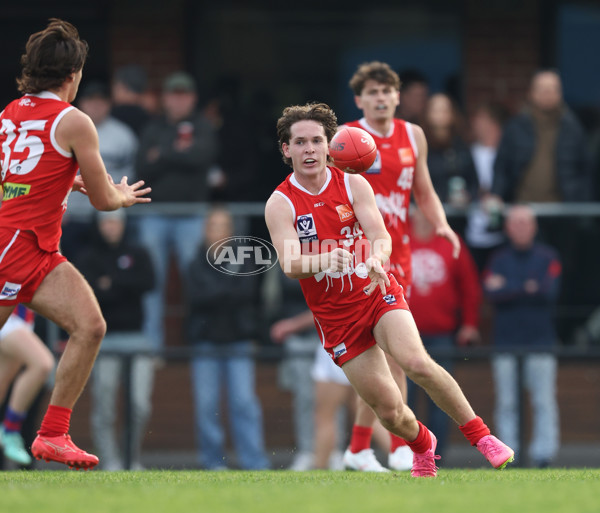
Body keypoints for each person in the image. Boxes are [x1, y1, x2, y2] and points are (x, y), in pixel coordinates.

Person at [265, 101, 514, 477]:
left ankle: (482, 437)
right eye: (300, 143)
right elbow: (289, 263)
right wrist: (325, 259)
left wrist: (376, 259)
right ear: (286, 149)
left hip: (375, 291)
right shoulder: (280, 202)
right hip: (335, 318)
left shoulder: (353, 183)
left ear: (329, 144)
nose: (310, 149)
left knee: (416, 363)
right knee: (391, 411)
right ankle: (421, 444)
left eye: (317, 140)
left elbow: (381, 237)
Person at [0, 18, 151, 470]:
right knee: (88, 329)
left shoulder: (9, 112)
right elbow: (106, 201)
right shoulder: (75, 120)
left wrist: (61, 184)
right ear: (72, 75)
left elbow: (13, 182)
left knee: (90, 326)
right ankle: (50, 433)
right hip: (16, 249)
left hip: (32, 248)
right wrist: (120, 194)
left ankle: (52, 434)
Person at [343, 61, 463, 472]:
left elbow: (424, 190)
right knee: (390, 356)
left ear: (398, 96)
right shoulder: (347, 138)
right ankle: (398, 446)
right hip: (363, 256)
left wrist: (443, 224)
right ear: (359, 100)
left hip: (402, 254)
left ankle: (359, 448)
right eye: (372, 92)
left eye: (386, 91)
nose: (380, 98)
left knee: (386, 356)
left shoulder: (414, 135)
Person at [136, 71, 218, 351]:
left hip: (192, 214)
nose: (179, 99)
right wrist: (180, 153)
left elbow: (202, 157)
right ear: (166, 98)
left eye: (184, 94)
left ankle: (198, 341)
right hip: (155, 213)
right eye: (174, 94)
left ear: (192, 98)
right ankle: (151, 347)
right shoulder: (154, 126)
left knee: (196, 280)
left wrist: (164, 153)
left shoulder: (202, 125)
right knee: (151, 283)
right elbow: (143, 168)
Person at [186, 206, 269, 470]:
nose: (217, 231)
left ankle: (254, 462)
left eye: (223, 226)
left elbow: (245, 293)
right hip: (205, 343)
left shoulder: (244, 259)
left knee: (244, 403)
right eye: (213, 225)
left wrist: (217, 292)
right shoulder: (195, 262)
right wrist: (226, 290)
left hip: (238, 342)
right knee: (206, 406)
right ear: (205, 230)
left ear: (231, 231)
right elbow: (197, 298)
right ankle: (213, 463)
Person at [75, 210, 155, 471]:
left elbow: (149, 281)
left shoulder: (138, 252)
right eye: (107, 222)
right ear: (99, 225)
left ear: (123, 225)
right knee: (105, 405)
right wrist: (121, 287)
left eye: (116, 222)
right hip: (104, 342)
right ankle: (110, 461)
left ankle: (131, 459)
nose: (111, 227)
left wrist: (111, 283)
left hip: (136, 338)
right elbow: (89, 293)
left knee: (140, 405)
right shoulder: (88, 256)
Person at [483, 204, 561, 467]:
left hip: (541, 342)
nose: (520, 227)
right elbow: (491, 294)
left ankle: (544, 455)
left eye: (525, 222)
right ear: (507, 227)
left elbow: (548, 292)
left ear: (534, 226)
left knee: (544, 402)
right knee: (506, 403)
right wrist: (527, 287)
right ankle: (508, 455)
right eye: (515, 223)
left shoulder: (548, 256)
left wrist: (509, 287)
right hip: (505, 343)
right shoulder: (498, 259)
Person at [408, 208, 482, 458]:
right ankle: (406, 455)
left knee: (440, 401)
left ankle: (437, 456)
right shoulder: (398, 238)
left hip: (441, 335)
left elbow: (470, 287)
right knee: (403, 399)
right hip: (404, 336)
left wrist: (470, 323)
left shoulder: (451, 241)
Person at [61, 80, 139, 261]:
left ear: (108, 104)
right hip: (73, 215)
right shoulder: (65, 129)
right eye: (91, 100)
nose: (96, 105)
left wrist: (118, 198)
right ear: (82, 103)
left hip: (108, 214)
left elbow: (132, 171)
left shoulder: (123, 134)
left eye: (101, 101)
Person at [492, 69, 590, 204]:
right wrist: (497, 194)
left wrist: (581, 205)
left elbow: (585, 172)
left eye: (552, 89)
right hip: (521, 212)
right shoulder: (516, 127)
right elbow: (502, 167)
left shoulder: (573, 129)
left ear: (560, 93)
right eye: (542, 89)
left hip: (563, 212)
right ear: (531, 93)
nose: (548, 93)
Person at [267, 269, 320, 471]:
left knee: (332, 398)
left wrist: (293, 325)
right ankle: (307, 451)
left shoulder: (329, 252)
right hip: (296, 340)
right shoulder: (284, 257)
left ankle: (334, 451)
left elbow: (330, 304)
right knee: (304, 397)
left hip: (327, 335)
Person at [0, 306, 54, 466]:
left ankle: (9, 431)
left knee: (2, 380)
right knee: (42, 363)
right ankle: (10, 429)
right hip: (9, 316)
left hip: (23, 319)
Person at [464, 102, 507, 272]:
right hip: (471, 232)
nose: (475, 123)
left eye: (480, 118)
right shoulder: (467, 153)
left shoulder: (508, 154)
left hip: (503, 234)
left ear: (494, 123)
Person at [422, 93, 479, 209]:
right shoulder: (420, 145)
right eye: (436, 110)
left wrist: (468, 196)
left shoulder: (461, 146)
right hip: (428, 214)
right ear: (427, 113)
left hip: (459, 215)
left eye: (445, 110)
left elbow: (474, 182)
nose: (440, 115)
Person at [111, 64, 152, 137]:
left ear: (125, 88)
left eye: (117, 86)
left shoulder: (113, 115)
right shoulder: (149, 116)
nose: (114, 90)